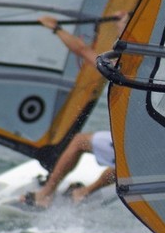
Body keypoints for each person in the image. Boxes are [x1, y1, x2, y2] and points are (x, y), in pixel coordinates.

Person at [24, 12, 128, 208]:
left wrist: (56, 28)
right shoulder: (140, 60)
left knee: (119, 162)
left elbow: (82, 50)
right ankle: (84, 192)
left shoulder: (121, 65)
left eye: (124, 23)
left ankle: (46, 194)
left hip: (132, 141)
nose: (119, 26)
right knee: (116, 160)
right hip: (142, 139)